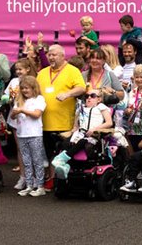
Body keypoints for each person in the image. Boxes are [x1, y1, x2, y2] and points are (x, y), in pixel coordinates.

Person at [37, 44, 86, 190]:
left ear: (63, 56)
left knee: (61, 154)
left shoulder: (72, 70)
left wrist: (68, 94)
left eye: (54, 55)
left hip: (64, 123)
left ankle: (61, 181)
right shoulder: (43, 72)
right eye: (49, 55)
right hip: (44, 121)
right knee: (47, 153)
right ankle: (50, 179)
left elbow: (82, 88)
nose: (51, 57)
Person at [11, 76, 48, 197]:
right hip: (22, 134)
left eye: (27, 88)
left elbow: (37, 114)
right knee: (26, 161)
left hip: (35, 134)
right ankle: (29, 184)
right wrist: (15, 112)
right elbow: (12, 117)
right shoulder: (19, 100)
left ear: (33, 88)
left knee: (37, 160)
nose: (24, 91)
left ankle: (41, 185)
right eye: (22, 88)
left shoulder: (39, 99)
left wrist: (22, 110)